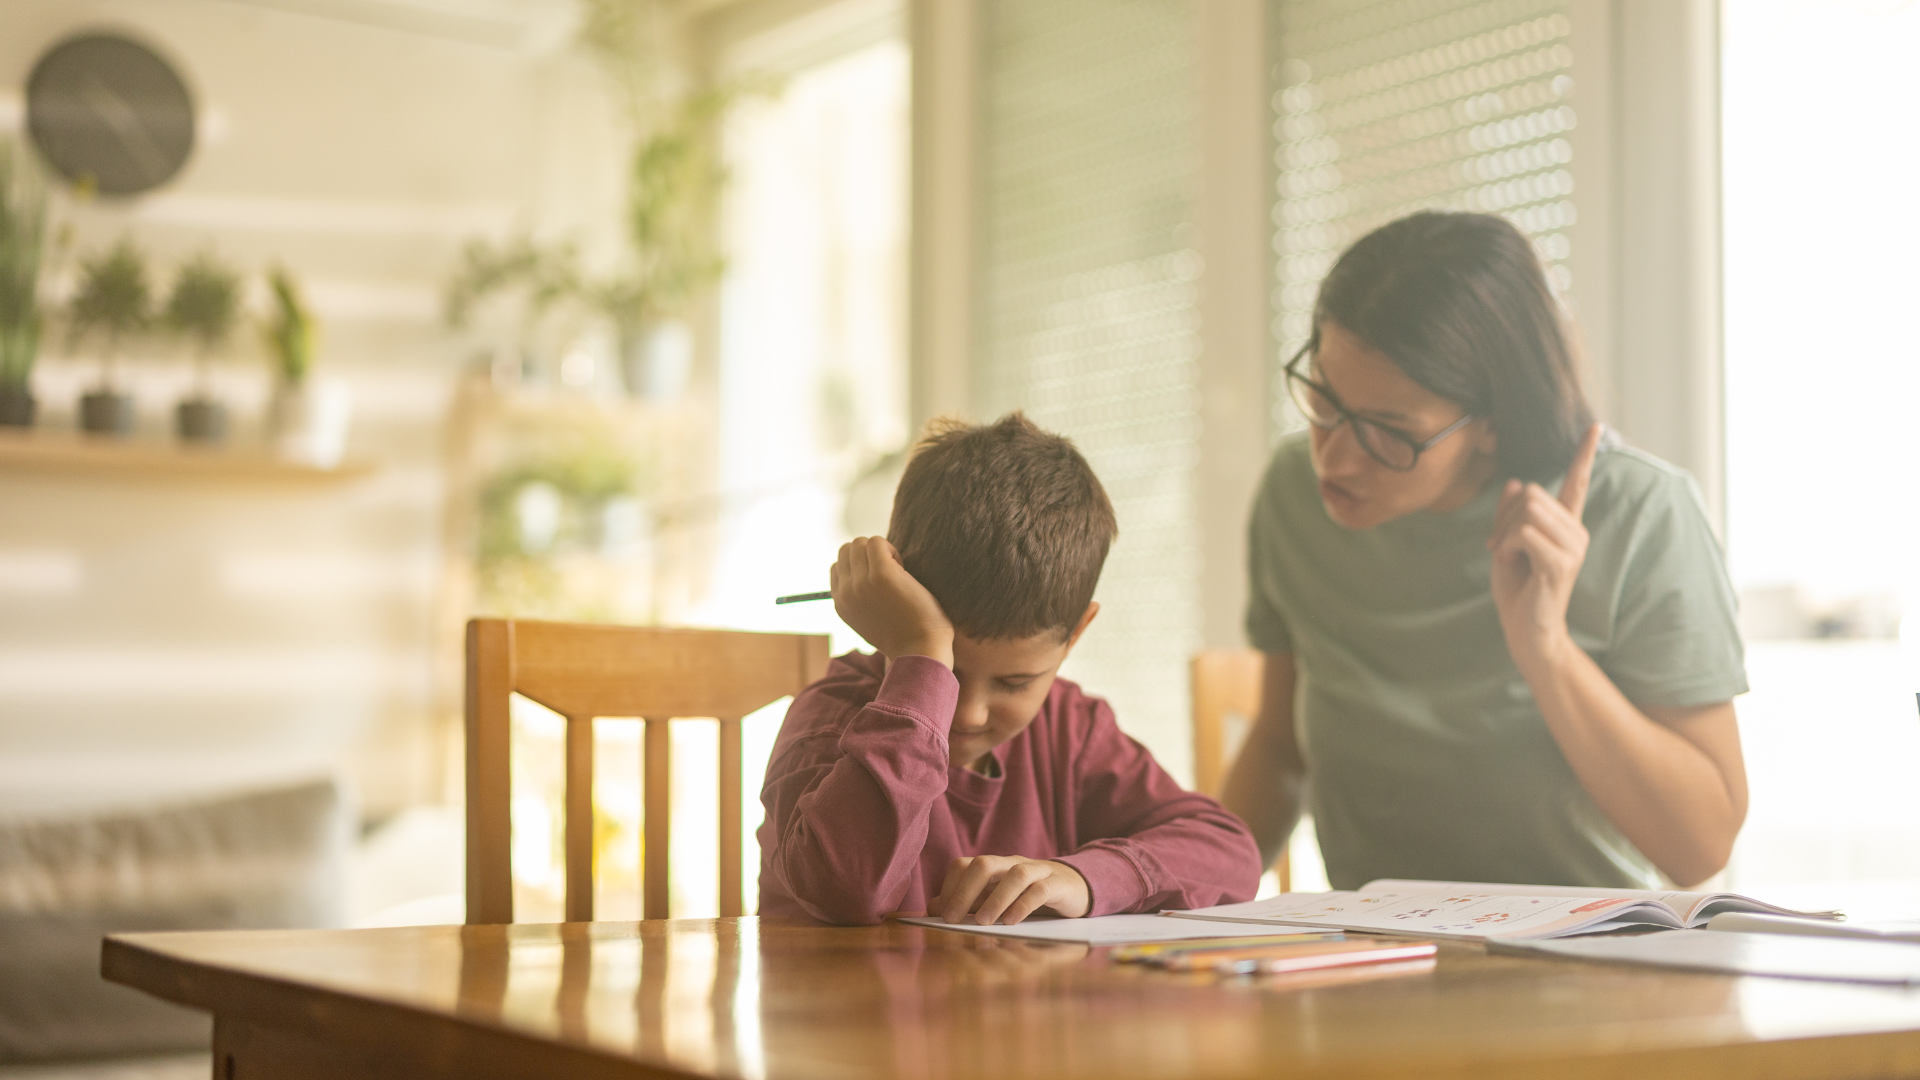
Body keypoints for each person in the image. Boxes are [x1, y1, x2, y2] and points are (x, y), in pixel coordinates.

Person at [1223, 211, 1749, 891]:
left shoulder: (1640, 514)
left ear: (1491, 427)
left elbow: (1700, 846)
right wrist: (1176, 890)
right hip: (1374, 950)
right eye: (1324, 396)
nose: (1335, 455)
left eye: (1388, 430)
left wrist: (1547, 650)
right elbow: (1278, 746)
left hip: (1584, 958)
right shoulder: (1294, 495)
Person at [758, 413, 1262, 925]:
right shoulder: (833, 714)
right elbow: (846, 890)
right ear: (895, 610)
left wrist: (1087, 879)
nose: (971, 714)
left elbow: (1230, 852)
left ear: (1078, 633)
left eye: (1014, 682)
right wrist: (920, 655)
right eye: (948, 671)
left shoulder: (1070, 730)